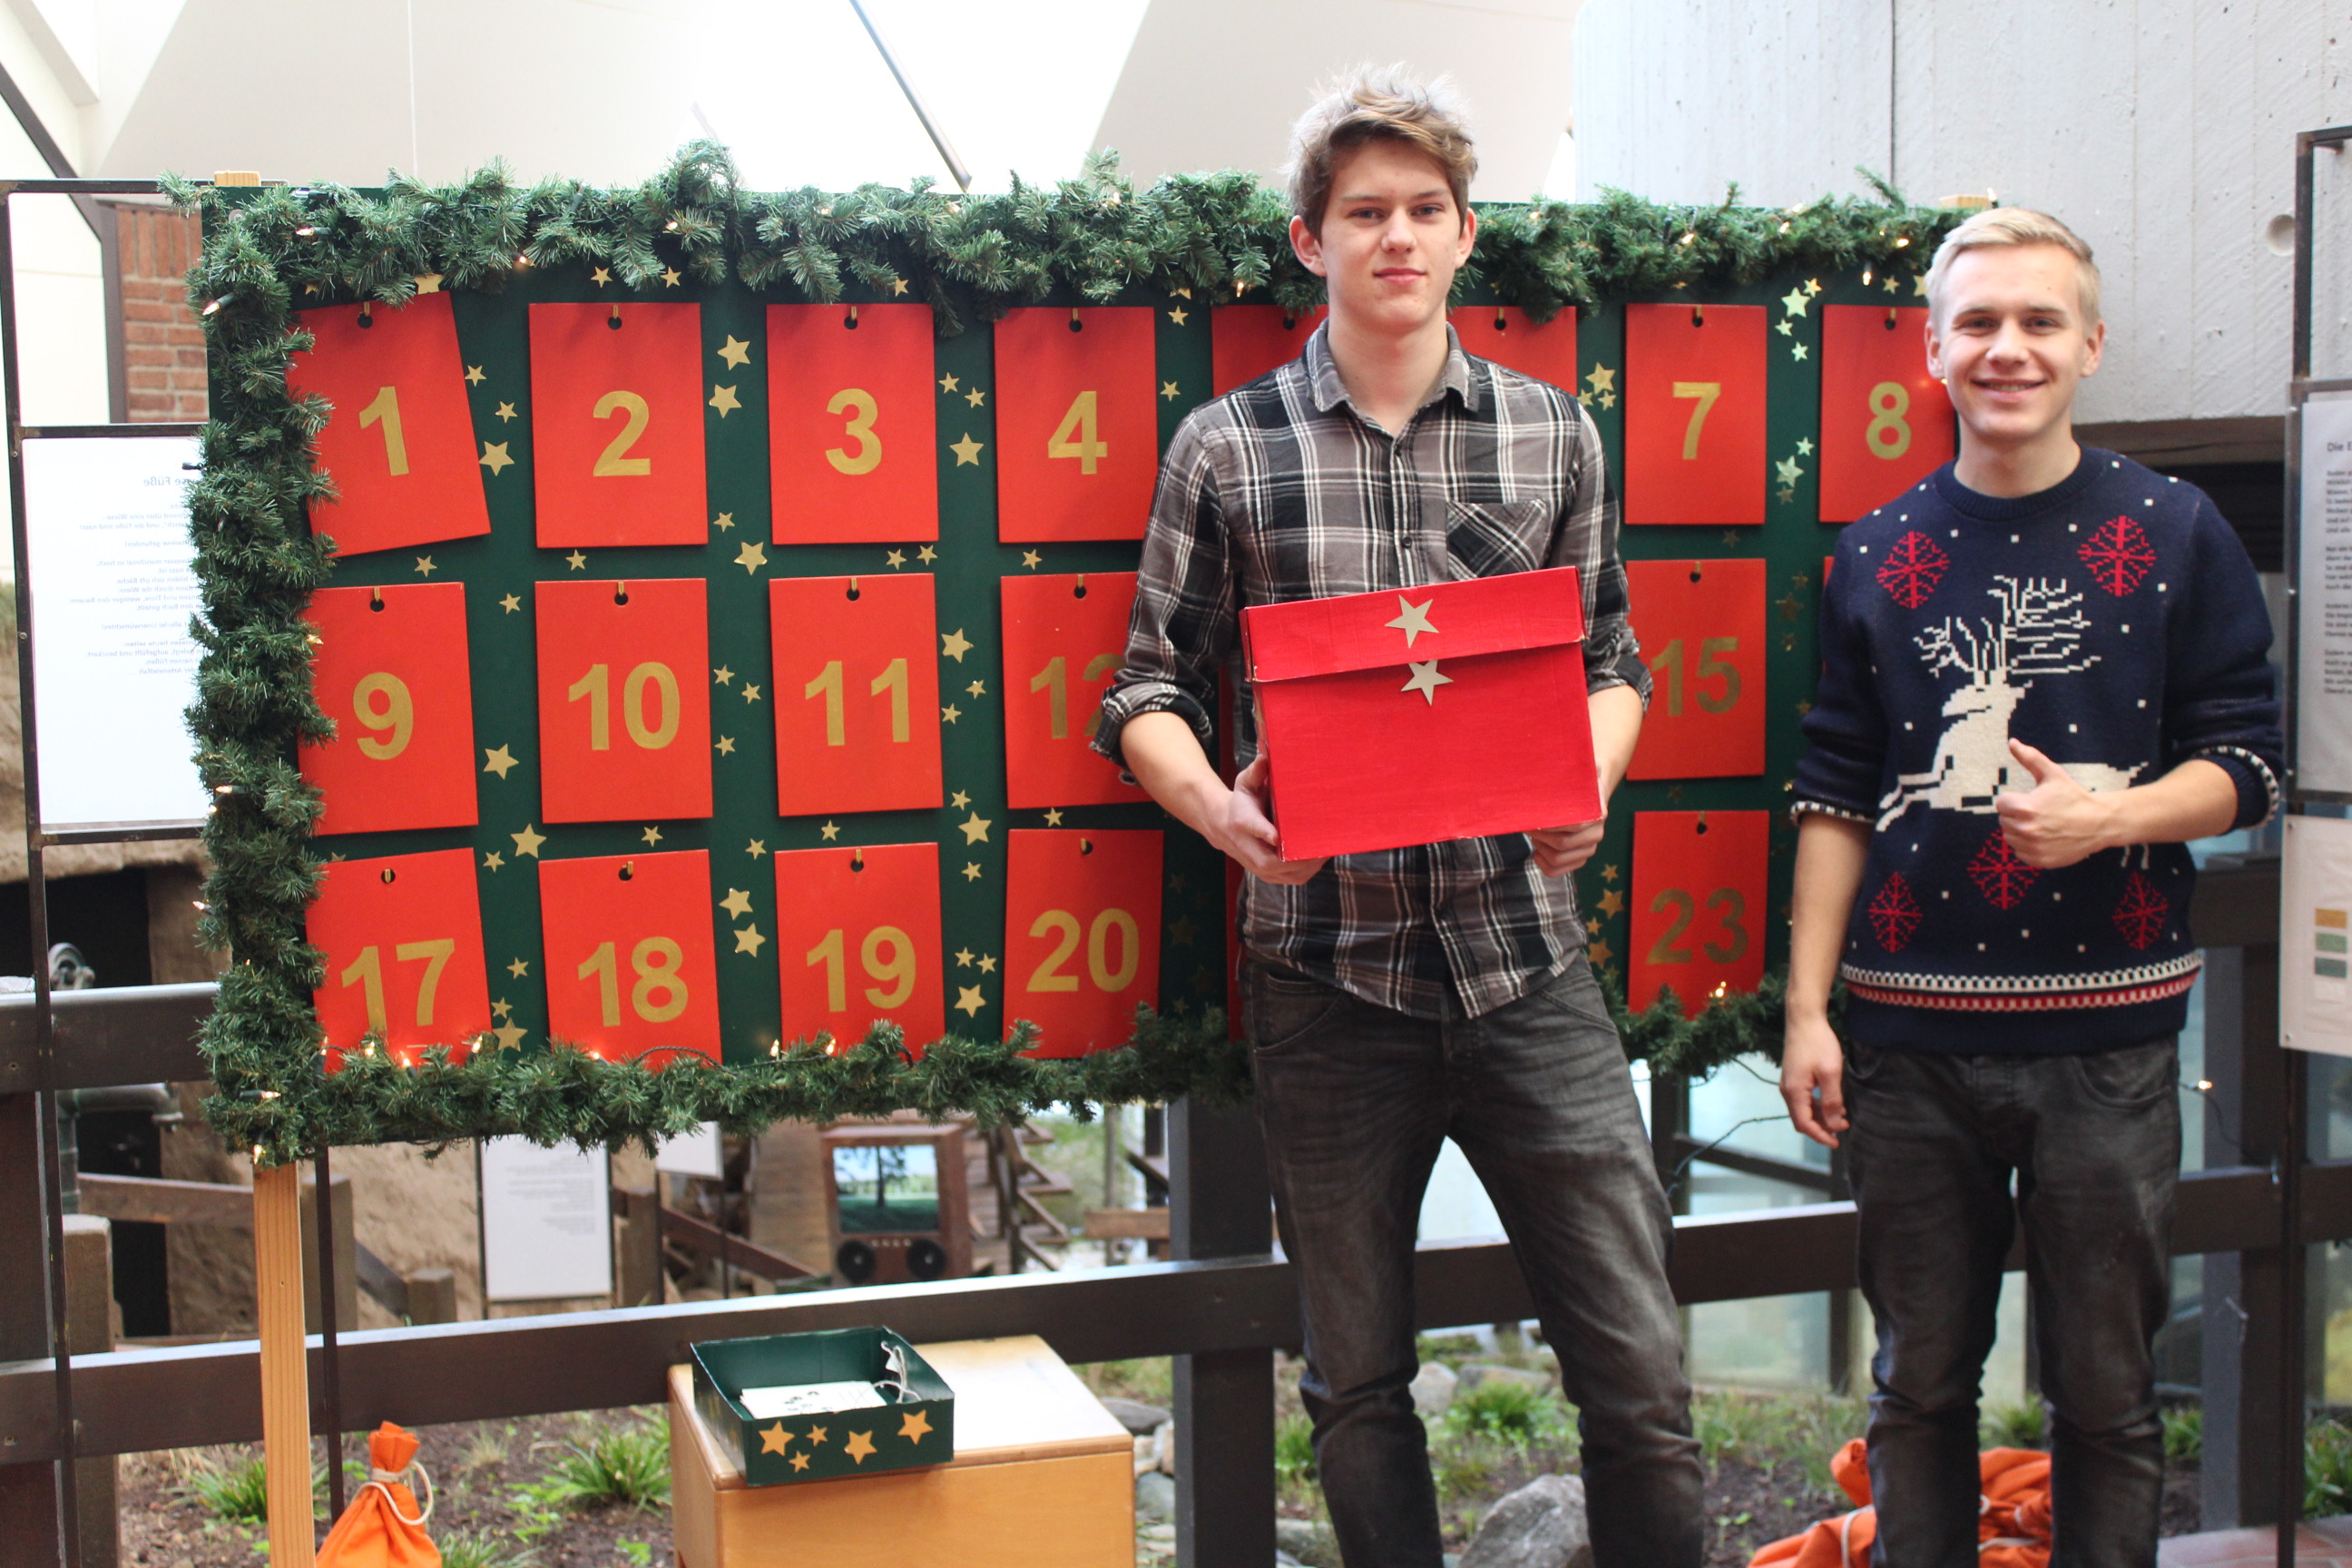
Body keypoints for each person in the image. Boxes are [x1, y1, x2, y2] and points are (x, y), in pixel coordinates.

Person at [1093, 69, 1704, 1567]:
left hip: (1526, 961)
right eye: (1365, 212)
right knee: (1357, 1389)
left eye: (1426, 209)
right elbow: (1144, 690)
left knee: (1640, 1378)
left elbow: (1614, 662)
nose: (1398, 236)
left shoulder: (1554, 434)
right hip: (1326, 976)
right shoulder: (1227, 446)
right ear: (1312, 241)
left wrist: (1591, 781)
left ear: (1466, 232)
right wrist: (1219, 812)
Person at [1780, 207, 2282, 1567]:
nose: (2009, 348)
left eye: (2040, 321)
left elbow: (2249, 764)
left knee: (2109, 1402)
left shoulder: (2176, 530)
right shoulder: (1873, 549)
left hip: (2106, 1051)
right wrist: (1809, 1011)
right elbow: (1835, 790)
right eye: (1981, 323)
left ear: (2091, 345)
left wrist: (2113, 817)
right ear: (1932, 351)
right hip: (1903, 1052)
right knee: (1915, 1391)